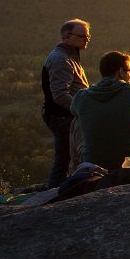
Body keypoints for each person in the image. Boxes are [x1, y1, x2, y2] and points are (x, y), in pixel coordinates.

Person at [71, 51, 130, 173]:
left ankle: (76, 170)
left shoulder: (81, 97)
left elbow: (73, 110)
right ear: (120, 72)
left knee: (76, 121)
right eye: (129, 71)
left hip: (93, 164)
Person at [41, 19, 90, 188]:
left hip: (65, 115)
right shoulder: (61, 60)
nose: (87, 39)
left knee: (67, 156)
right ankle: (56, 192)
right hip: (63, 116)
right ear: (67, 37)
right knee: (65, 157)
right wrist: (81, 110)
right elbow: (60, 95)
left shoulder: (69, 56)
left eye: (88, 36)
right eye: (83, 36)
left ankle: (58, 189)